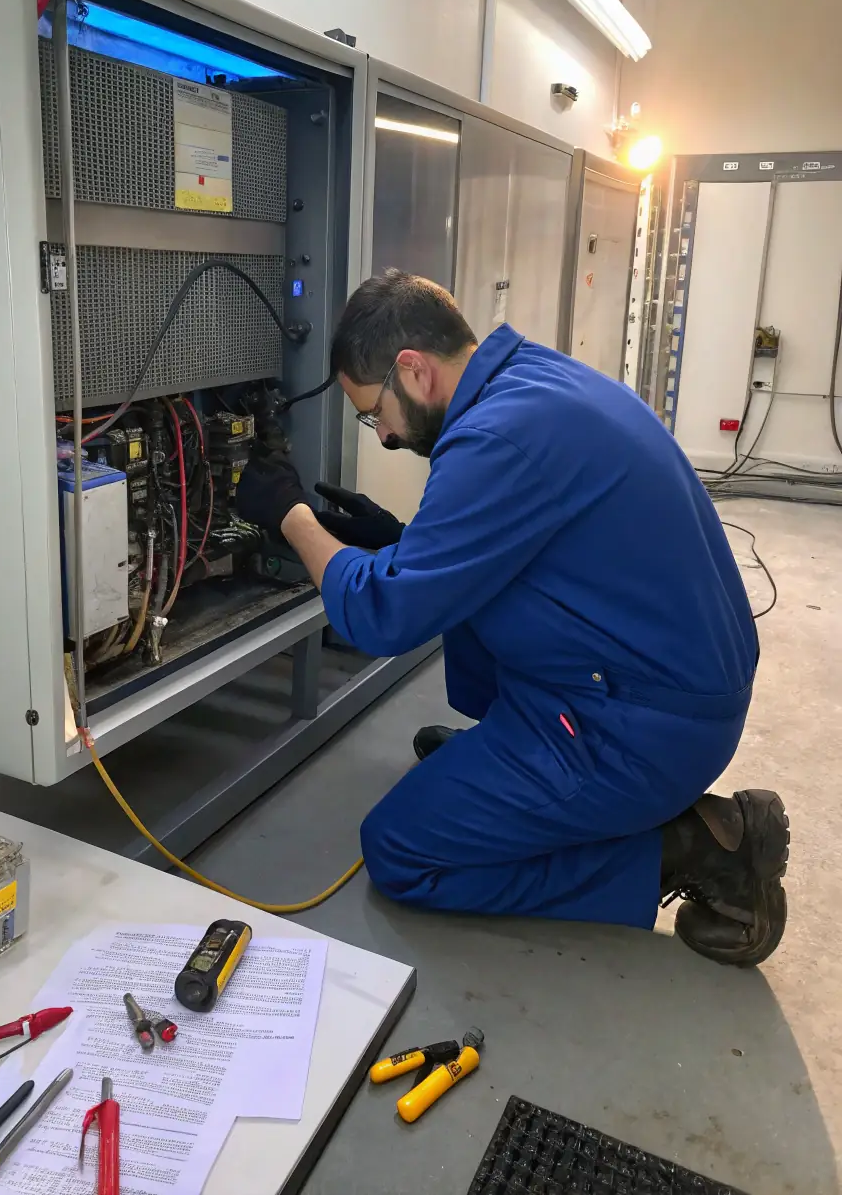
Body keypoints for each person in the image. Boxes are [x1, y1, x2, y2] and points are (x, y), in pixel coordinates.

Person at [235, 270, 788, 966]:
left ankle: (694, 848)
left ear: (414, 369)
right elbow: (495, 546)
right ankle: (514, 760)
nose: (380, 436)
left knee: (402, 850)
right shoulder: (529, 381)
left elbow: (382, 614)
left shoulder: (496, 439)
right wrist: (397, 540)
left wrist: (294, 518)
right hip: (665, 679)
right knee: (467, 608)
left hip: (643, 728)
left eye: (374, 412)